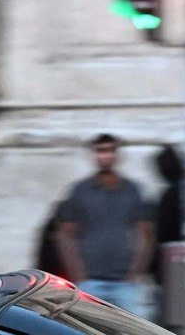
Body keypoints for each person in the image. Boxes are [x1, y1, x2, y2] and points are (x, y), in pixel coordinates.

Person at [56, 134, 155, 318]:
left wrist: (136, 273)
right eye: (101, 151)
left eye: (110, 150)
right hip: (90, 282)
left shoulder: (132, 190)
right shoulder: (80, 191)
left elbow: (145, 234)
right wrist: (79, 275)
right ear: (94, 155)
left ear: (117, 155)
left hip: (126, 283)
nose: (105, 156)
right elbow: (67, 235)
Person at [150, 144, 185, 322]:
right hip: (174, 264)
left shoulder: (174, 194)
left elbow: (162, 231)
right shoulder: (183, 191)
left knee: (173, 317)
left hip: (173, 265)